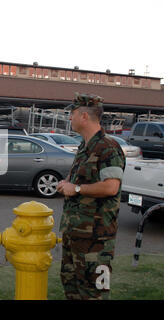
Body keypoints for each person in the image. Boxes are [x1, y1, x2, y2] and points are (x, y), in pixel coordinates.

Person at [57, 93, 126, 300]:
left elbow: (111, 187)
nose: (70, 119)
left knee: (94, 293)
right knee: (72, 288)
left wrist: (76, 189)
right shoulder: (83, 147)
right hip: (74, 233)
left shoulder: (109, 147)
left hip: (96, 239)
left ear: (84, 116)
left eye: (72, 114)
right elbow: (77, 179)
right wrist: (66, 184)